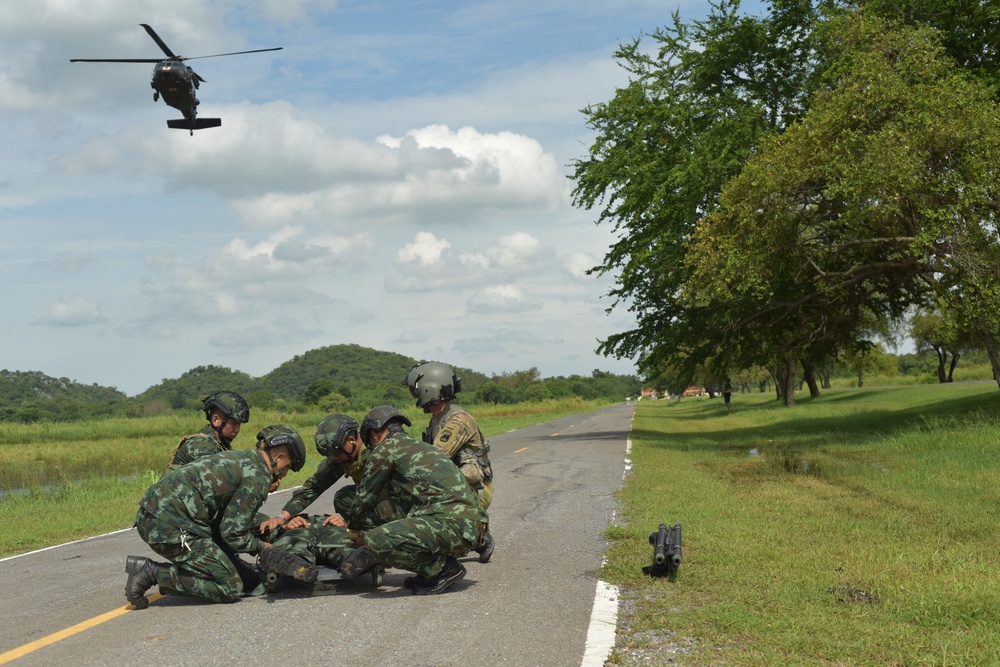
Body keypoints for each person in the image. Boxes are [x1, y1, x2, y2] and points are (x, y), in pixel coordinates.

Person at [125, 424, 307, 608]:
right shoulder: (258, 478)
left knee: (247, 578)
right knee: (230, 586)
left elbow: (233, 517)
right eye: (288, 467)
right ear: (279, 457)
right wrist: (264, 548)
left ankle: (222, 567)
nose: (284, 475)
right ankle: (151, 573)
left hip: (157, 514)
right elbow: (232, 533)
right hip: (167, 526)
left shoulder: (247, 459)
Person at [339, 405, 488, 595]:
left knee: (376, 541)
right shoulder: (420, 446)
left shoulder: (386, 449)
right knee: (390, 513)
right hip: (469, 524)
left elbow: (365, 496)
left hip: (454, 525)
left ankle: (442, 569)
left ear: (375, 435)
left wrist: (354, 531)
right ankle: (429, 570)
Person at [403, 361, 495, 562]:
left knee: (425, 506)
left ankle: (473, 535)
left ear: (430, 389)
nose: (416, 395)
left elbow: (434, 459)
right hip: (459, 485)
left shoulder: (456, 420)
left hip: (475, 489)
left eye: (418, 391)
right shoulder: (439, 418)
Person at [258, 413, 394, 535]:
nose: (334, 458)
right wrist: (282, 517)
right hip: (376, 500)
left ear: (351, 439)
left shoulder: (378, 453)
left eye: (336, 452)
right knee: (343, 498)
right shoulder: (343, 456)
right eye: (331, 454)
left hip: (399, 504)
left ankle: (381, 535)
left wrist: (350, 525)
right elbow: (314, 487)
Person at [162, 390, 250, 477]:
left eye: (239, 425)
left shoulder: (220, 443)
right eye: (234, 424)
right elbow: (215, 480)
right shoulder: (200, 445)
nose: (237, 430)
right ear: (216, 420)